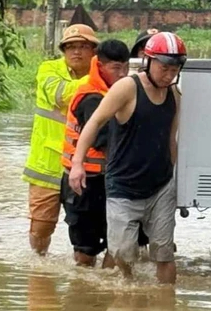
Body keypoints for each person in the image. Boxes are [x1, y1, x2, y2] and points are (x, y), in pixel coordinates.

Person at [68, 32, 185, 284]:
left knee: (164, 253)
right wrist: (77, 164)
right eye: (164, 68)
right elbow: (95, 122)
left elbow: (171, 140)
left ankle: (166, 299)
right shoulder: (126, 88)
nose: (169, 75)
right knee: (123, 252)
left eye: (174, 69)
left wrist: (177, 181)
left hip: (160, 186)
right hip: (122, 185)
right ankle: (128, 288)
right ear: (148, 61)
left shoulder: (174, 95)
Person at [22, 24, 98, 255]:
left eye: (83, 46)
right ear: (63, 51)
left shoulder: (103, 74)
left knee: (86, 234)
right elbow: (62, 94)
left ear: (93, 50)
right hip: (47, 168)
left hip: (86, 168)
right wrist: (100, 80)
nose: (76, 52)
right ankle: (39, 271)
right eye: (70, 47)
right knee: (41, 228)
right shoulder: (48, 69)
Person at [60, 39, 130, 267]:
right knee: (85, 251)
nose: (122, 74)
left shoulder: (117, 93)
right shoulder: (91, 97)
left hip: (108, 181)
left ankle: (105, 293)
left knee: (116, 243)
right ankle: (86, 295)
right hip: (85, 183)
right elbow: (107, 144)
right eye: (115, 68)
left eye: (125, 68)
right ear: (100, 66)